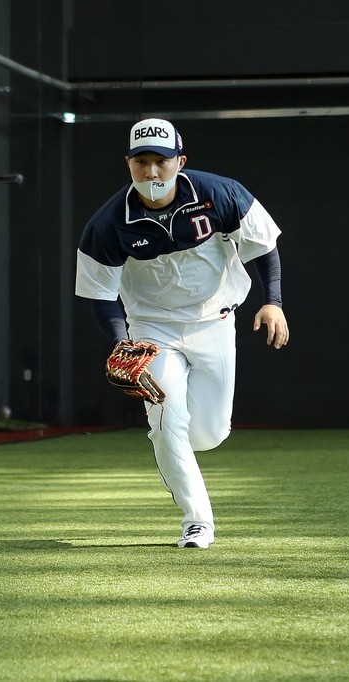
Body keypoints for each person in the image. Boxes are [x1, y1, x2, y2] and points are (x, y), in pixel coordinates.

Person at [75, 118, 289, 548]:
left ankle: (175, 442)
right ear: (128, 164)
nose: (152, 172)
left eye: (161, 161)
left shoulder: (220, 193)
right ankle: (198, 521)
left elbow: (263, 244)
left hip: (216, 321)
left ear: (180, 161)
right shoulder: (107, 224)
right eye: (142, 162)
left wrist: (274, 302)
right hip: (154, 331)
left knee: (207, 435)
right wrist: (122, 343)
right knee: (167, 417)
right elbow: (100, 294)